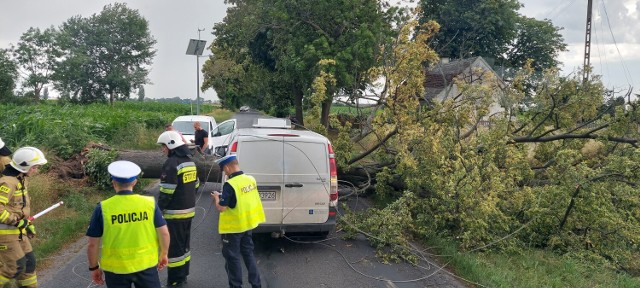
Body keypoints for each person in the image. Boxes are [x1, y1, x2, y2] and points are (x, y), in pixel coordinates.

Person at [86, 160, 170, 288]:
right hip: (146, 266)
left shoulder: (103, 208)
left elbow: (92, 244)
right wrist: (163, 254)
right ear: (135, 182)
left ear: (113, 183)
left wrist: (94, 268)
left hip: (115, 270)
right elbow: (164, 233)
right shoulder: (149, 204)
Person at [211, 155, 265, 288]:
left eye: (224, 170)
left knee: (232, 258)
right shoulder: (250, 179)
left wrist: (217, 198)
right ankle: (256, 284)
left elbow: (222, 208)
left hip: (233, 228)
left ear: (228, 167)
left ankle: (236, 286)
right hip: (248, 225)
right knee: (248, 255)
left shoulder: (231, 184)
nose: (225, 173)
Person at [0, 147, 47, 287]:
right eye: (35, 167)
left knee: (29, 264)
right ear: (25, 166)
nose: (36, 170)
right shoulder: (7, 182)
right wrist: (15, 221)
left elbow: (19, 207)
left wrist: (27, 223)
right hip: (5, 234)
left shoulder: (21, 180)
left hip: (19, 232)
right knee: (15, 267)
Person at [157, 131, 199, 287]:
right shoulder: (190, 161)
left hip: (174, 216)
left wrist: (158, 211)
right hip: (188, 212)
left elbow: (166, 192)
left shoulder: (172, 163)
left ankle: (175, 280)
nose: (163, 150)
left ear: (171, 146)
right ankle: (183, 275)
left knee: (174, 250)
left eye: (164, 147)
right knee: (184, 247)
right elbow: (195, 185)